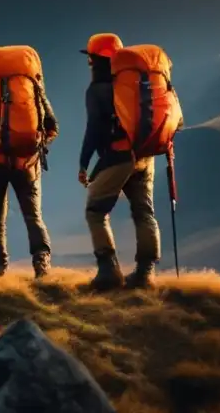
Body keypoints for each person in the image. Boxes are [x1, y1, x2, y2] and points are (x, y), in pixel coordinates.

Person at [0, 45, 57, 278]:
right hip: (27, 163)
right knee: (33, 215)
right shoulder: (34, 89)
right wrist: (37, 148)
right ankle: (41, 264)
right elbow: (52, 125)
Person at [78, 33, 161, 290]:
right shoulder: (136, 83)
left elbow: (94, 129)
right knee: (144, 211)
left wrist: (84, 163)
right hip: (144, 155)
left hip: (118, 156)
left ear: (94, 61)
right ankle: (145, 274)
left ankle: (108, 272)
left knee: (95, 212)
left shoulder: (97, 90)